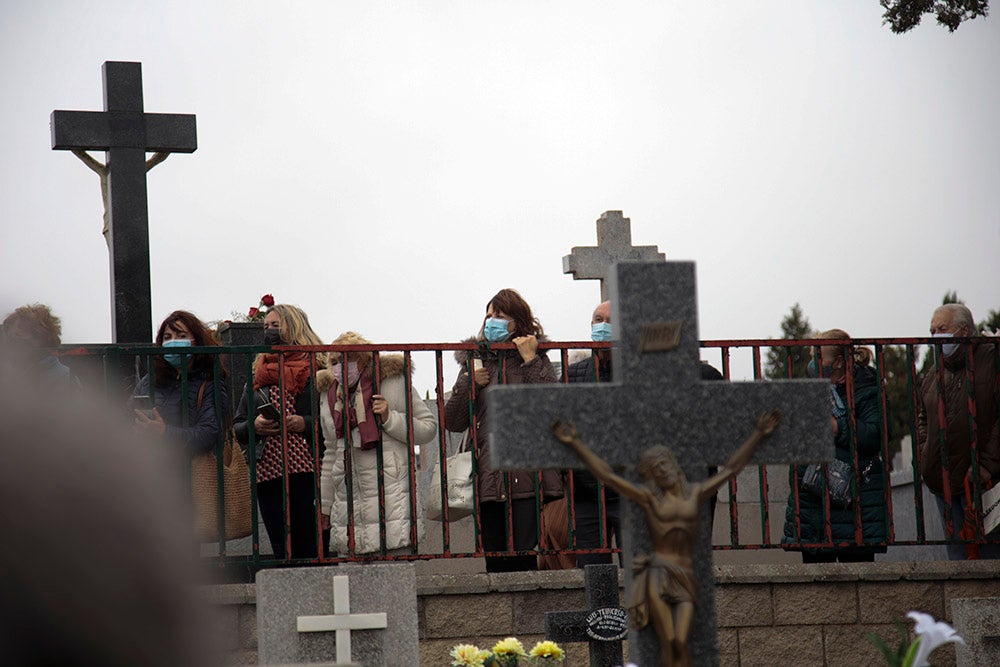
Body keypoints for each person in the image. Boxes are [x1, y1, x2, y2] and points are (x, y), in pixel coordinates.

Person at [553, 411, 781, 667]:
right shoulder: (651, 499)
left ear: (674, 463)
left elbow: (731, 470)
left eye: (665, 463)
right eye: (656, 468)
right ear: (652, 475)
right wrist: (574, 443)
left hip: (685, 572)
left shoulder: (695, 494)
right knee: (669, 639)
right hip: (658, 573)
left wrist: (759, 434)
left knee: (682, 642)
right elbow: (608, 476)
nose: (663, 470)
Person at [444, 288, 563, 572]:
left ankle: (530, 615)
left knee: (523, 556)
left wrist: (531, 360)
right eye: (488, 315)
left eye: (499, 315)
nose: (491, 321)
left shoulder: (535, 359)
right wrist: (469, 384)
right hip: (489, 474)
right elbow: (453, 420)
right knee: (495, 558)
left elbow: (553, 410)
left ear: (517, 321)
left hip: (528, 474)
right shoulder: (476, 362)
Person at [317, 332, 437, 556]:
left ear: (363, 360)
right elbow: (331, 452)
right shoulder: (330, 397)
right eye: (333, 361)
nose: (339, 366)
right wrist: (324, 505)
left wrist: (390, 418)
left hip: (391, 504)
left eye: (346, 359)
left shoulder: (392, 383)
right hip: (349, 506)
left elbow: (428, 428)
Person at [780, 329, 889, 562]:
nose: (812, 363)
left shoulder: (866, 388)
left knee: (858, 575)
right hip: (813, 503)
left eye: (818, 357)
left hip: (854, 506)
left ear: (839, 361)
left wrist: (838, 426)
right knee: (815, 585)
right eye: (811, 356)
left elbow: (876, 435)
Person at [233, 304, 324, 560]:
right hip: (269, 472)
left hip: (309, 470)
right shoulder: (258, 375)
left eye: (276, 325)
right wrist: (255, 426)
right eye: (266, 326)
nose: (269, 331)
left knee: (311, 544)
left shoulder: (319, 369)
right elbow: (238, 426)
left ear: (294, 327)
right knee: (281, 548)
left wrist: (305, 422)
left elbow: (333, 419)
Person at [917, 304, 1000, 560]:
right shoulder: (933, 373)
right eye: (932, 330)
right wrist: (924, 453)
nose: (936, 336)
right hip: (943, 483)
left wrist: (987, 463)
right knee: (957, 560)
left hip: (984, 481)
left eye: (943, 329)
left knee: (989, 556)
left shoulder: (992, 360)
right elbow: (922, 417)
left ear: (964, 331)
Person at [562, 300, 621, 567]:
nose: (603, 326)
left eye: (610, 321)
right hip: (586, 493)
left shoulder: (639, 375)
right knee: (592, 574)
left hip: (631, 491)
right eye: (598, 320)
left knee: (639, 569)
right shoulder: (573, 375)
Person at [131, 310, 227, 456]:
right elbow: (125, 416)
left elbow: (209, 433)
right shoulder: (149, 380)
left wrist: (164, 433)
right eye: (167, 337)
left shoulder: (209, 382)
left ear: (197, 341)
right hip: (150, 469)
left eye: (181, 336)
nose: (173, 342)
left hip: (190, 473)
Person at [1, 303, 78, 393]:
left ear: (44, 337)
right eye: (11, 339)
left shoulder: (64, 378)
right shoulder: (8, 375)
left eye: (22, 333)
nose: (16, 347)